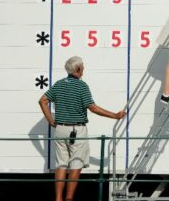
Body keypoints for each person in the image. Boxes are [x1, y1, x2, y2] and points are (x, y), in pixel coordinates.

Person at [39, 56, 126, 201]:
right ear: (78, 69)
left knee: (61, 165)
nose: (84, 68)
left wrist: (51, 120)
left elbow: (42, 101)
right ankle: (69, 199)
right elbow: (92, 107)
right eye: (83, 66)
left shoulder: (59, 84)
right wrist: (115, 115)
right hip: (77, 130)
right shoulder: (82, 86)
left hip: (60, 129)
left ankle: (58, 199)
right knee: (76, 164)